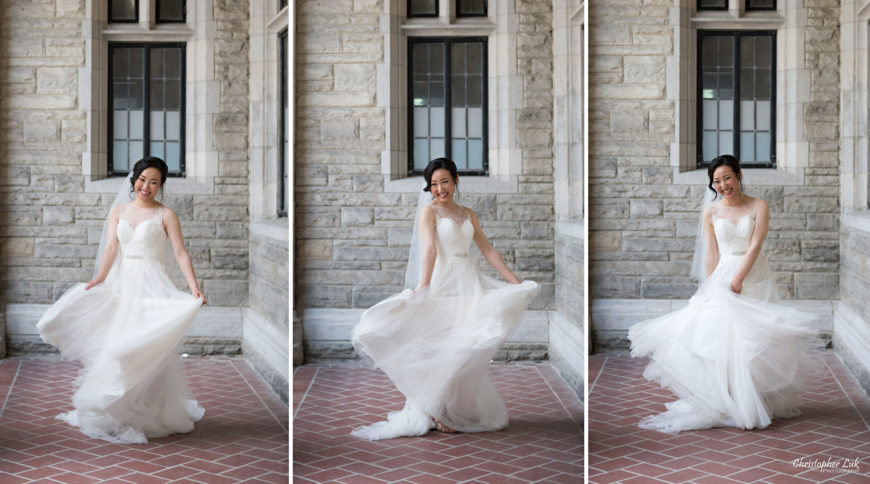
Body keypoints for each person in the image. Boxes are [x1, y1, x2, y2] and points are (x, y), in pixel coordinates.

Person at [628, 154, 821, 433]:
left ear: (739, 175)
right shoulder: (711, 212)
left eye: (727, 178)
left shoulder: (759, 205)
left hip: (753, 274)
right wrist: (709, 285)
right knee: (719, 339)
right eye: (716, 181)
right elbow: (712, 253)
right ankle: (727, 400)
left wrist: (739, 278)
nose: (722, 185)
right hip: (722, 276)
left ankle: (751, 398)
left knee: (753, 340)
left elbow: (755, 245)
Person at [350, 158, 539, 440]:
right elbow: (429, 250)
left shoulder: (467, 213)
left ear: (456, 180)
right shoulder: (429, 212)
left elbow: (487, 250)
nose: (440, 188)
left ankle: (450, 407)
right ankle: (434, 410)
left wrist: (513, 281)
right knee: (445, 347)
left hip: (469, 284)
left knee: (469, 345)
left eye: (445, 181)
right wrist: (424, 286)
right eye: (434, 184)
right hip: (444, 283)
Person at [37, 157, 207, 444]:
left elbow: (180, 253)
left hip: (152, 283)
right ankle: (118, 410)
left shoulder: (166, 215)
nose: (147, 186)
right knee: (117, 344)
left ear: (161, 185)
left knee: (145, 345)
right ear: (134, 179)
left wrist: (194, 288)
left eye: (154, 182)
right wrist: (99, 278)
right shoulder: (118, 211)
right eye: (142, 179)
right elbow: (112, 248)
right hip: (122, 283)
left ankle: (151, 407)